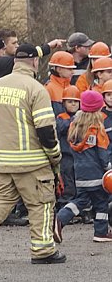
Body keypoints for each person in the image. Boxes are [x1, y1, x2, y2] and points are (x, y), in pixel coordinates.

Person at [0, 44, 65, 265]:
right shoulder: (36, 89)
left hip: (4, 162)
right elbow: (46, 131)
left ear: (15, 62)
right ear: (35, 62)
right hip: (33, 163)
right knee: (41, 204)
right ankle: (43, 249)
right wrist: (55, 157)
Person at [53, 90, 111, 243]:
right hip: (96, 174)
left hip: (79, 172)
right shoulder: (97, 128)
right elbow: (102, 153)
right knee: (101, 202)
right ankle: (101, 232)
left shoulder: (75, 126)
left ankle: (59, 219)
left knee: (81, 200)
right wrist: (108, 167)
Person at [55, 87, 81, 211]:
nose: (73, 104)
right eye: (70, 102)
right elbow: (63, 128)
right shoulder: (61, 118)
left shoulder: (82, 117)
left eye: (76, 102)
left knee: (78, 183)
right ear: (64, 103)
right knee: (67, 184)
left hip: (78, 156)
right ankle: (64, 207)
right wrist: (75, 120)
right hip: (66, 157)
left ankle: (79, 209)